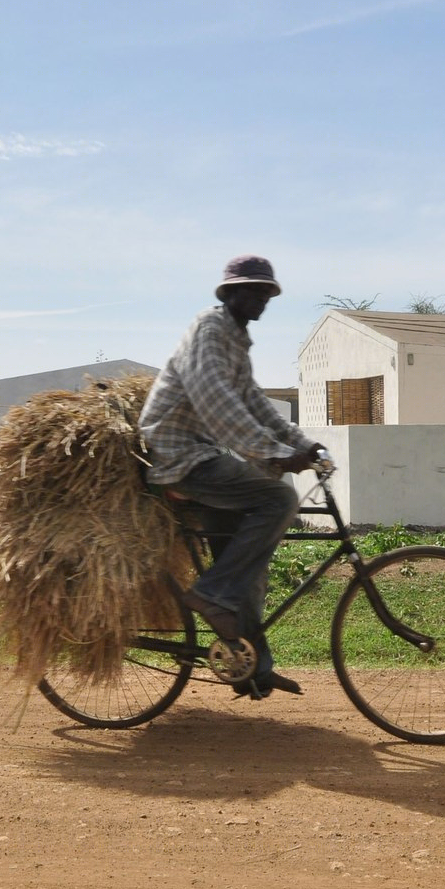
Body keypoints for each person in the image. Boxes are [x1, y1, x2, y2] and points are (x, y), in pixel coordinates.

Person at [140, 255, 323, 698]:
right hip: (177, 455)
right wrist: (276, 455)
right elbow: (218, 403)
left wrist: (301, 443)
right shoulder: (210, 329)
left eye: (266, 291)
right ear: (229, 293)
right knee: (278, 500)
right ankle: (212, 593)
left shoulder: (236, 339)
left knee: (248, 563)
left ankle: (251, 664)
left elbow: (254, 403)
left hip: (202, 453)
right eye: (252, 290)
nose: (261, 298)